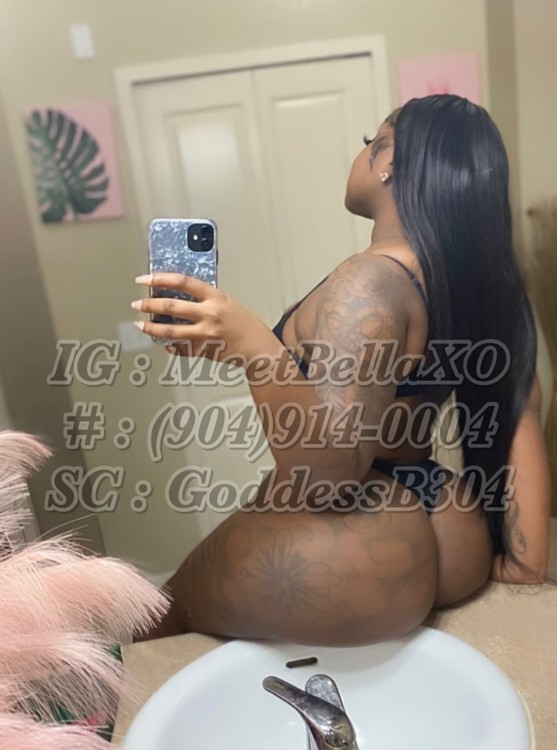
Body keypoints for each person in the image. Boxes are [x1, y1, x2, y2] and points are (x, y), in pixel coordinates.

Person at [132, 94, 551, 646]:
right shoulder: (475, 289)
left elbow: (327, 483)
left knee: (165, 612)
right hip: (449, 518)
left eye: (370, 140)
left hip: (362, 537)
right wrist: (521, 565)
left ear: (389, 159)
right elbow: (520, 439)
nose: (362, 153)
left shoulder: (370, 281)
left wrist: (254, 347)